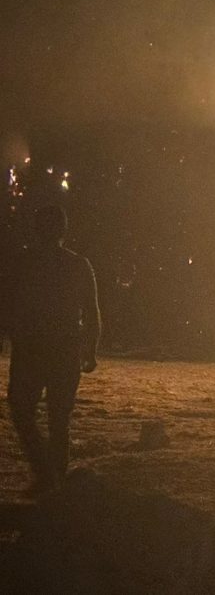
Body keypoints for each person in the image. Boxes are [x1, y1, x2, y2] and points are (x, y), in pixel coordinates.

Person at [5, 205, 100, 495]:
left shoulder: (23, 264)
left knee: (22, 410)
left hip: (32, 349)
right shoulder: (79, 265)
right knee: (60, 418)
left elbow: (8, 305)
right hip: (64, 350)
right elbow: (92, 312)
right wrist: (90, 350)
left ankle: (46, 473)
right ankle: (54, 481)